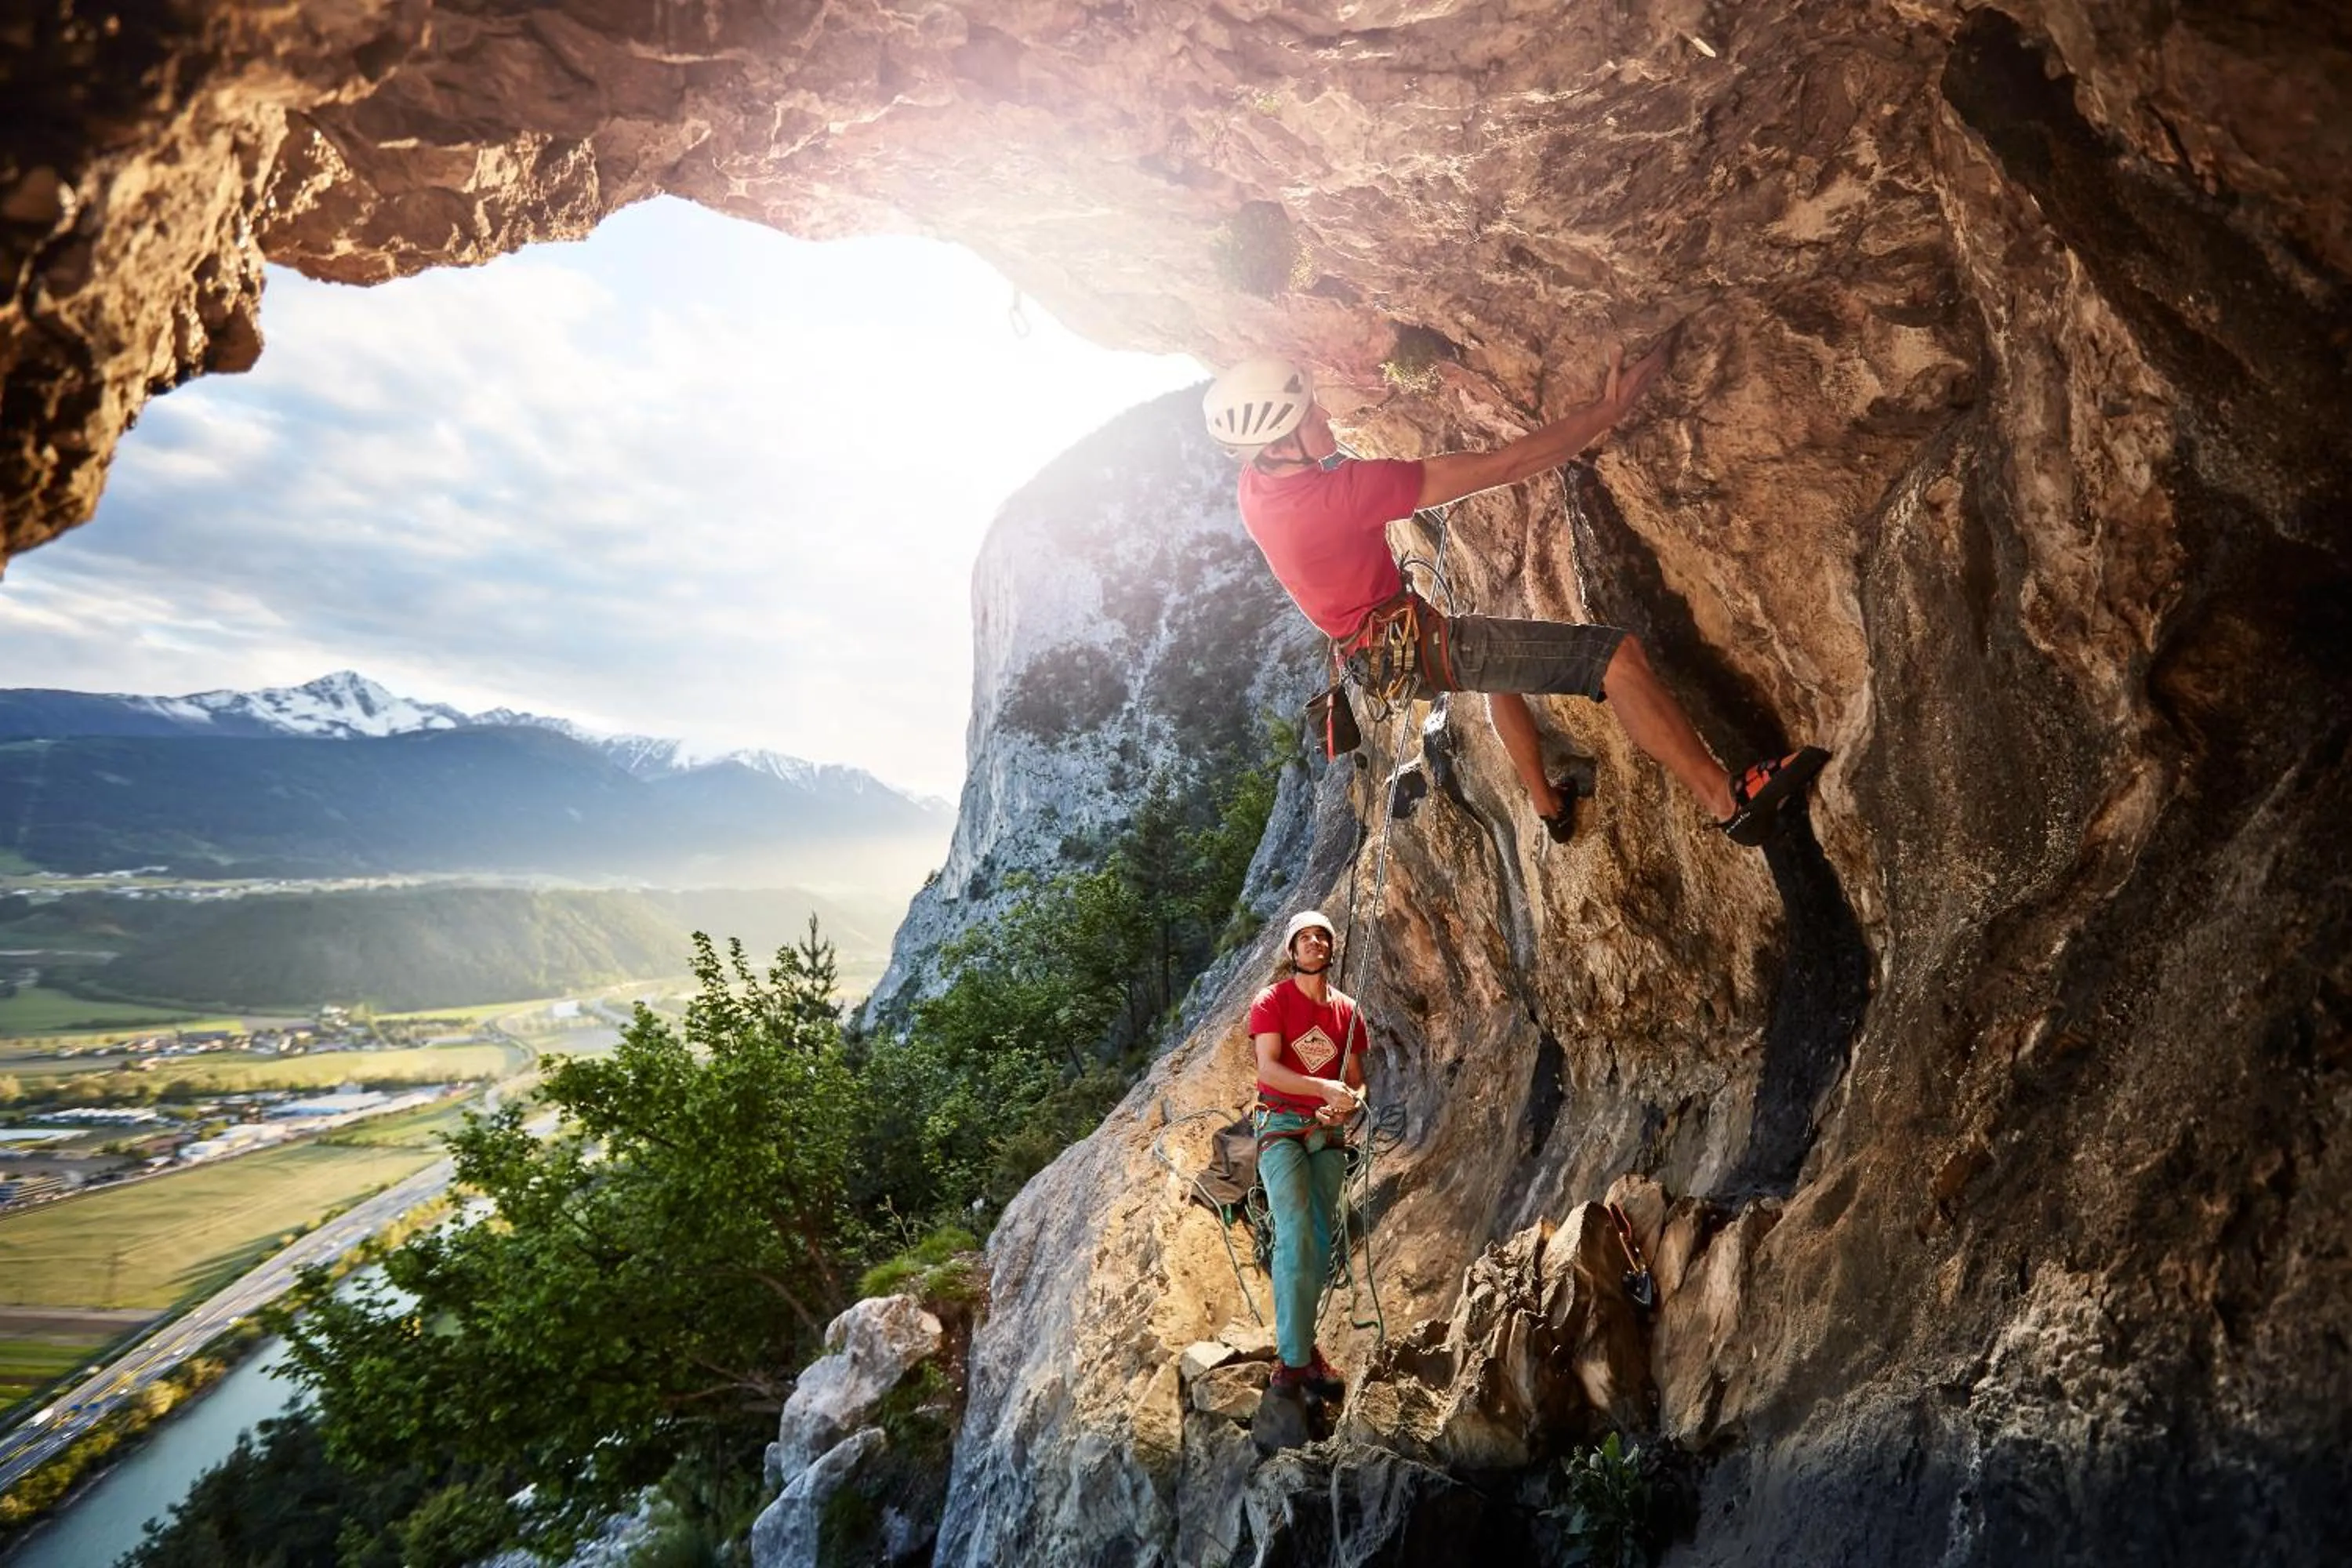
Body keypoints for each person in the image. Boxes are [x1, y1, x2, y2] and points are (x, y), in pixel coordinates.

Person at [1204, 349, 1825, 847]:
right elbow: (1506, 464)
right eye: (1309, 416)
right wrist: (1608, 410)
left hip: (1379, 660)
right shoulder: (1345, 494)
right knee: (1615, 658)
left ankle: (1545, 800)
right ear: (1280, 444)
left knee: (1497, 675)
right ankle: (1727, 802)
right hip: (1420, 648)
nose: (1325, 419)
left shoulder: (1255, 489)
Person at [1248, 908, 1367, 1405]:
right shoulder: (1272, 1002)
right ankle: (1294, 1360)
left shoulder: (1348, 1011)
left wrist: (1349, 1105)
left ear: (1331, 949)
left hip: (1327, 1136)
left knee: (1320, 1241)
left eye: (1322, 938)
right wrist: (1322, 1087)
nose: (1315, 944)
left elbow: (1356, 1078)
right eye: (1306, 939)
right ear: (1291, 951)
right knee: (1295, 1231)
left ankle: (1304, 1348)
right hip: (1280, 1127)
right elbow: (1269, 1070)